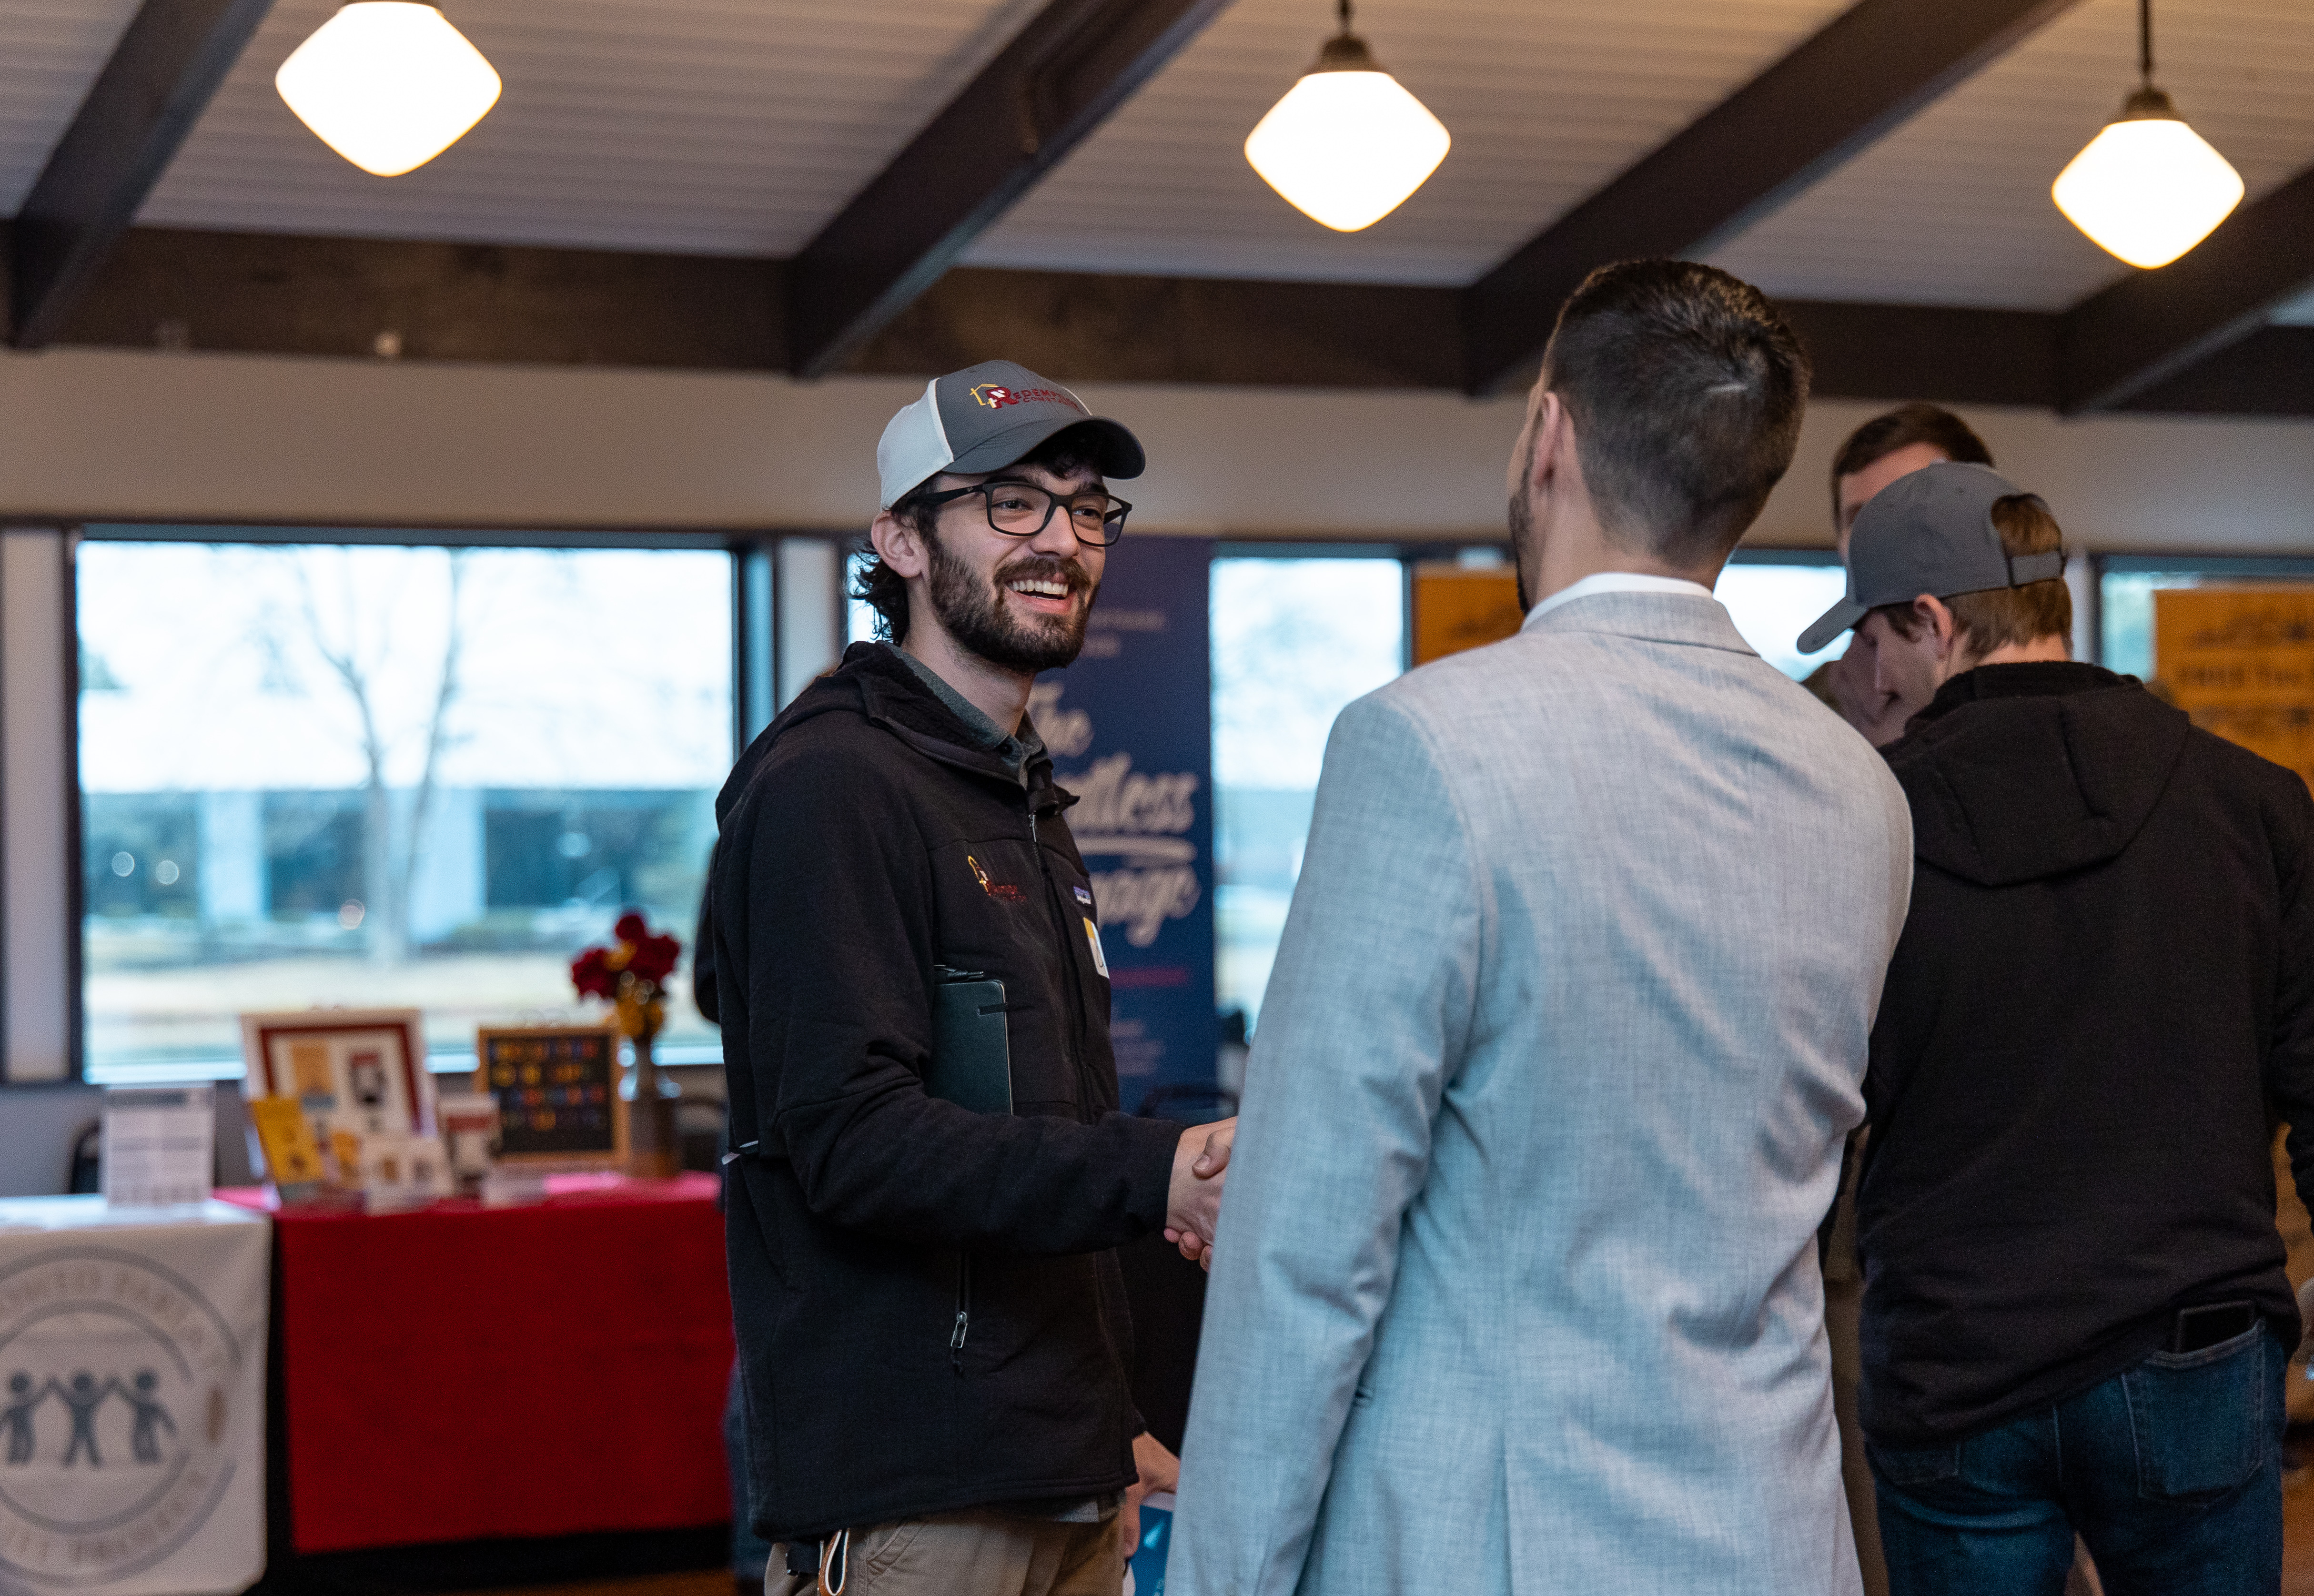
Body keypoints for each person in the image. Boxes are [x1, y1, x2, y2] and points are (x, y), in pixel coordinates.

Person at [1170, 260, 1914, 1596]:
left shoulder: (1425, 747)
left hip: (1497, 1541)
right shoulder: (1860, 789)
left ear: (1548, 435)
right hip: (1772, 1536)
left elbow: (1307, 1251)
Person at [710, 360, 1234, 1596]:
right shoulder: (832, 783)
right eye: (1009, 503)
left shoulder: (1018, 790)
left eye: (1086, 506)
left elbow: (1035, 1139)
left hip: (1063, 1468)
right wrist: (1158, 1168)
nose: (1061, 539)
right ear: (898, 539)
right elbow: (855, 1143)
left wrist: (1108, 1425)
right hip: (916, 1499)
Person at [1797, 462, 2314, 1594]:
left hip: (1954, 1369)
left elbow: (1811, 1108)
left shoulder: (1869, 827)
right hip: (2194, 1354)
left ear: (1931, 622)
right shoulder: (2252, 801)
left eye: (1869, 641)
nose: (1857, 674)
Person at [1808, 404, 1995, 744]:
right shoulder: (1807, 713)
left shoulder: (2045, 697)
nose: (1879, 539)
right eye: (1859, 520)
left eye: (1908, 511)